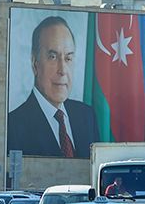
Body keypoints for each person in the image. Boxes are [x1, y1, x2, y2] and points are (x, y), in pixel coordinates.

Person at [7, 16, 100, 158]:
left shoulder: (86, 116)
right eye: (53, 57)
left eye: (68, 58)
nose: (62, 70)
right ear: (34, 63)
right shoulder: (13, 126)